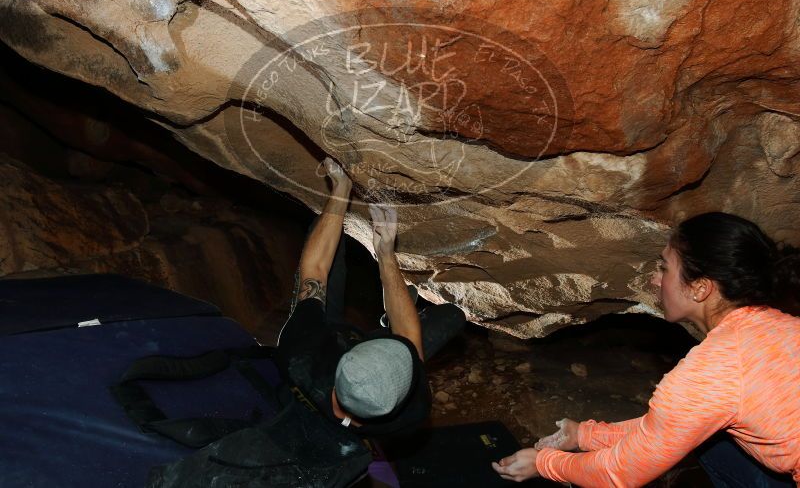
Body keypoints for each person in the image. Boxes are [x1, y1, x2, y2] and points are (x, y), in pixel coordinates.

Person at [492, 212, 800, 486]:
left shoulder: (714, 370)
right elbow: (670, 426)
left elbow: (619, 473)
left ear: (700, 288)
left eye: (665, 268)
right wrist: (585, 436)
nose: (655, 279)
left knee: (705, 444)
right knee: (710, 440)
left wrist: (544, 463)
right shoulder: (783, 324)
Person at [275, 157, 465, 437]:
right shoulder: (413, 410)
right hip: (345, 352)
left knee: (325, 230)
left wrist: (341, 187)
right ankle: (387, 322)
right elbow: (409, 337)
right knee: (454, 316)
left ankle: (389, 321)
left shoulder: (302, 355)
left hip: (328, 334)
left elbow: (315, 271)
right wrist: (387, 255)